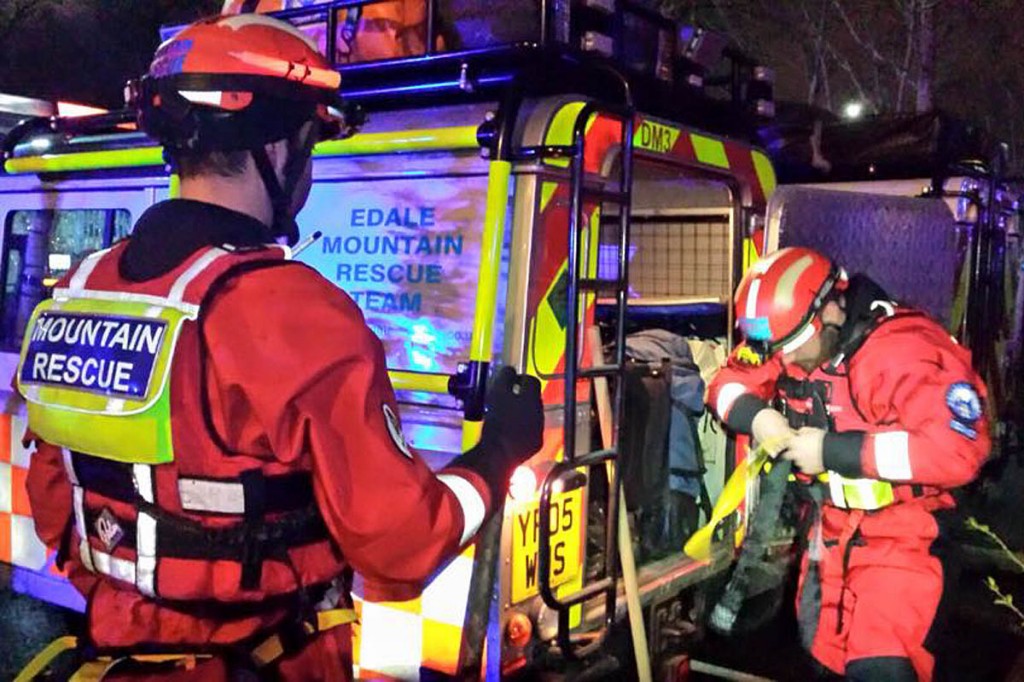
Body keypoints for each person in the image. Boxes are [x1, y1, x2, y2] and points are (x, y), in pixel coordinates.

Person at [18, 14, 543, 681]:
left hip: (119, 657)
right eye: (311, 145)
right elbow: (400, 549)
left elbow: (56, 507)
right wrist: (498, 455)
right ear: (280, 148)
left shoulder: (77, 292)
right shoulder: (295, 311)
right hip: (266, 664)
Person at [707, 247, 990, 681]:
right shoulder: (791, 336)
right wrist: (757, 414)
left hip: (903, 540)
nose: (783, 362)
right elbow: (727, 384)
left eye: (792, 348)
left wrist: (835, 451)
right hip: (828, 537)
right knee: (823, 660)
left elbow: (957, 449)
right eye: (775, 350)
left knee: (881, 664)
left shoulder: (903, 350)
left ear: (832, 311)